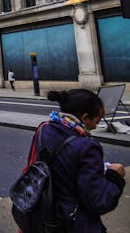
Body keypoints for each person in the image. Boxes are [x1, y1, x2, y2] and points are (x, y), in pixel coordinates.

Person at [25, 89, 125, 232]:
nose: (96, 126)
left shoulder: (44, 129)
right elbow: (98, 201)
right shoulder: (87, 147)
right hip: (76, 223)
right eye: (97, 120)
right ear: (85, 118)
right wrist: (114, 177)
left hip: (48, 217)